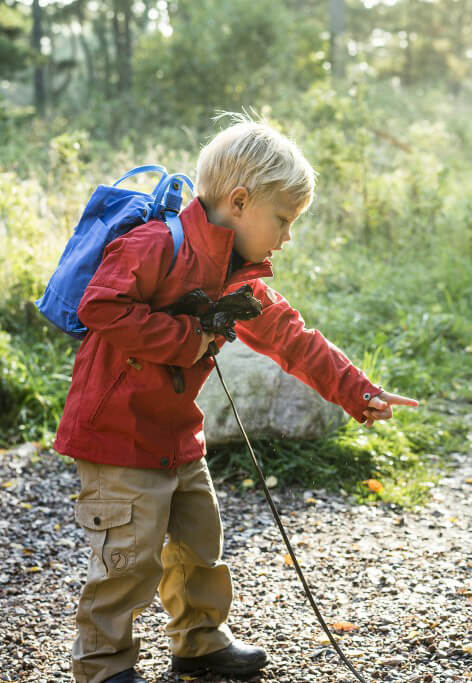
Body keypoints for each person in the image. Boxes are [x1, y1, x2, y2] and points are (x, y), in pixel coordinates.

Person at [54, 113, 419, 683]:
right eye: (284, 219)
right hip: (115, 434)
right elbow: (99, 307)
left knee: (199, 543)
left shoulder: (236, 279)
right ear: (242, 201)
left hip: (176, 435)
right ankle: (103, 665)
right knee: (128, 559)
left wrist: (358, 391)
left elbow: (290, 337)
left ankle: (199, 641)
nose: (287, 236)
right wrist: (187, 338)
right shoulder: (155, 245)